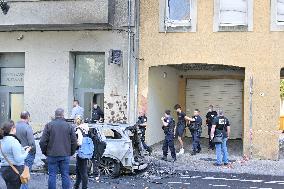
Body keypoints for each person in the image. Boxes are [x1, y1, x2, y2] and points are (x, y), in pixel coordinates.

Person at [39, 108, 77, 189]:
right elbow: (74, 142)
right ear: (63, 115)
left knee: (52, 175)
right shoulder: (69, 126)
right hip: (65, 154)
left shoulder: (49, 125)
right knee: (65, 175)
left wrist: (45, 152)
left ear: (55, 115)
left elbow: (42, 141)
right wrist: (71, 152)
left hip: (51, 154)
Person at [0, 120, 31, 189]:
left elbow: (6, 153)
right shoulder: (14, 141)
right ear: (12, 129)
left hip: (4, 169)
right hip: (14, 170)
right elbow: (18, 159)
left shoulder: (1, 140)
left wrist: (22, 149)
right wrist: (27, 151)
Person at [15, 111, 36, 189]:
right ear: (28, 117)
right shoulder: (27, 127)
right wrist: (33, 152)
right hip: (27, 153)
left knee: (18, 175)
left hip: (16, 153)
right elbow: (31, 143)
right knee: (25, 176)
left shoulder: (14, 126)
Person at [74, 116, 91, 189]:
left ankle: (84, 187)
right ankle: (76, 186)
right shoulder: (86, 129)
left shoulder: (78, 130)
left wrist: (75, 143)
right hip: (86, 151)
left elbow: (80, 142)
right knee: (78, 171)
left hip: (81, 152)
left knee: (83, 172)